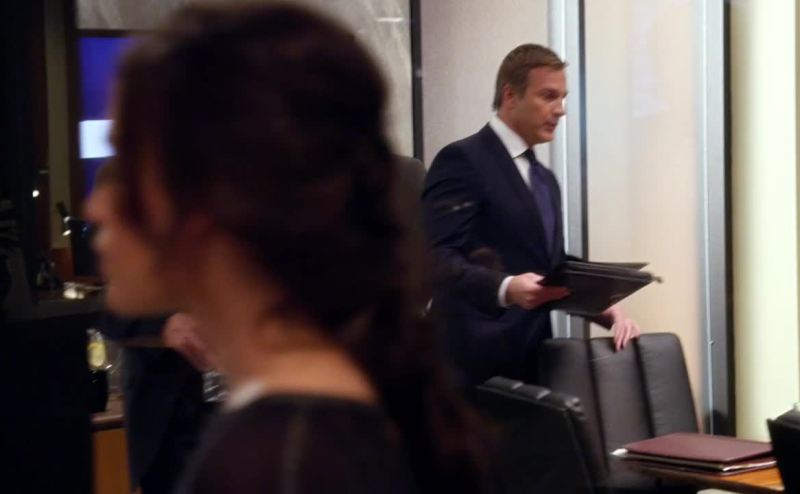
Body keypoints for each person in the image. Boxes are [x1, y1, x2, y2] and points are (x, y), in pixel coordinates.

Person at [86, 4, 492, 494]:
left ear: (212, 197)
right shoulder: (312, 428)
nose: (97, 206)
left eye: (130, 163)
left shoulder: (280, 461)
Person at [422, 44, 641, 387]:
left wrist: (606, 306)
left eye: (563, 98)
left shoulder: (544, 179)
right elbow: (434, 258)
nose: (560, 110)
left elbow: (549, 265)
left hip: (532, 363)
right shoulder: (462, 160)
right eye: (549, 96)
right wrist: (506, 288)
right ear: (510, 95)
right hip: (470, 371)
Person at [90, 164, 214, 494]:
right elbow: (104, 309)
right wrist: (164, 326)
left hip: (239, 406)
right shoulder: (136, 200)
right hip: (168, 417)